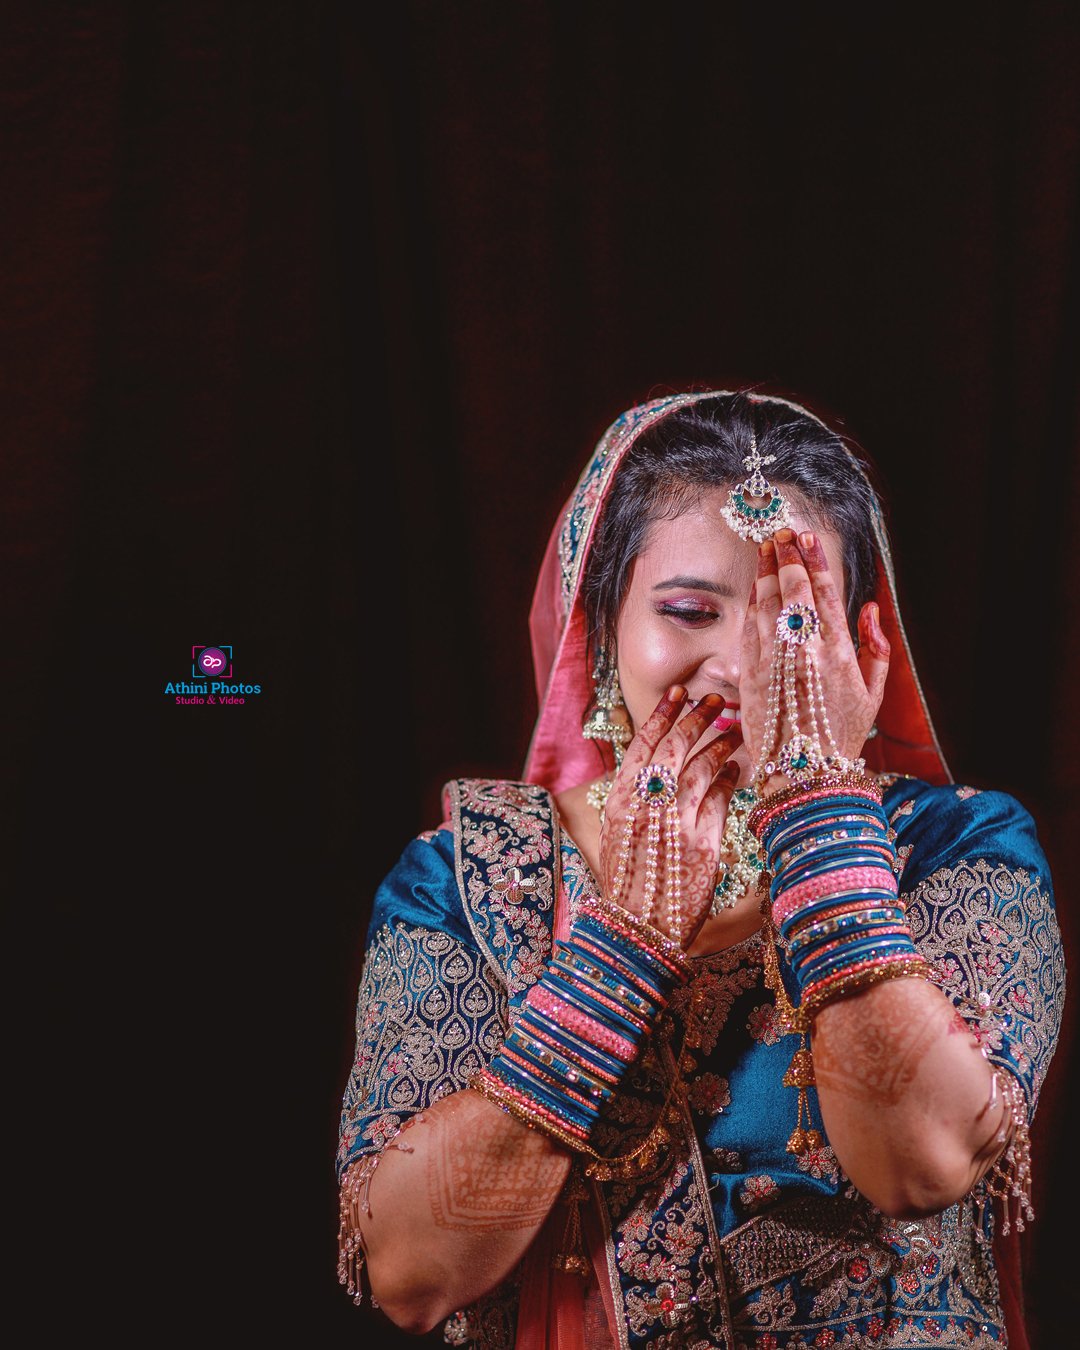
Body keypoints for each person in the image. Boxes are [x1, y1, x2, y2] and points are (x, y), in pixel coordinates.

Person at [335, 389, 1065, 1349]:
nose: (739, 664)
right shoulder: (471, 876)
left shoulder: (954, 850)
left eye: (793, 619)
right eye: (688, 611)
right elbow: (410, 1275)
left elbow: (919, 1165)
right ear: (596, 631)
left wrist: (815, 808)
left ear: (866, 648)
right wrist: (622, 947)